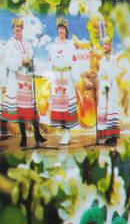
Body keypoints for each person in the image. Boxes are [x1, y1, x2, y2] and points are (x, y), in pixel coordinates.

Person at [3, 17, 43, 148]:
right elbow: (9, 63)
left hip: (26, 79)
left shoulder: (26, 43)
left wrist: (32, 65)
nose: (18, 29)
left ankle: (38, 134)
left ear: (22, 29)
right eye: (16, 27)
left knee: (31, 107)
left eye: (20, 27)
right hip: (17, 81)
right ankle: (24, 137)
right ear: (13, 29)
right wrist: (21, 62)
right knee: (20, 109)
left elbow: (31, 58)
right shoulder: (10, 44)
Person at [46, 18, 77, 146]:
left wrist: (76, 77)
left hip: (67, 76)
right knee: (59, 105)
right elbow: (50, 63)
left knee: (67, 105)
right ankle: (64, 133)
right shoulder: (53, 46)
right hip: (57, 77)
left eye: (63, 29)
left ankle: (67, 134)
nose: (61, 31)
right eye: (59, 29)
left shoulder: (70, 45)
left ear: (66, 31)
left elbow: (74, 61)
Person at [95, 35, 119, 146]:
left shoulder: (114, 58)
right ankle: (108, 136)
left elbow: (114, 73)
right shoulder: (103, 59)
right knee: (105, 111)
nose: (105, 46)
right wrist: (99, 79)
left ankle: (113, 137)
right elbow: (101, 73)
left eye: (107, 44)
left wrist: (108, 84)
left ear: (110, 45)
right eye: (103, 44)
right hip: (104, 87)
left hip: (111, 87)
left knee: (111, 110)